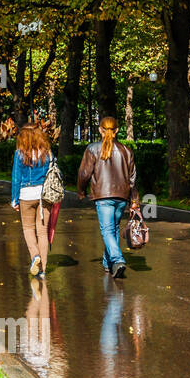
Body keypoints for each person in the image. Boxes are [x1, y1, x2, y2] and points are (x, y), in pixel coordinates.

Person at [77, 115, 139, 279]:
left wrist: (81, 191)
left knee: (107, 230)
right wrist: (134, 201)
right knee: (113, 229)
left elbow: (84, 174)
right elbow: (132, 178)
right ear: (117, 130)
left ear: (100, 130)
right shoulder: (126, 150)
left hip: (103, 196)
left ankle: (118, 261)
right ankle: (108, 263)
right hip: (122, 196)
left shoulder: (92, 149)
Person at [10, 122, 54, 281]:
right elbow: (53, 172)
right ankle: (42, 270)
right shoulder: (47, 152)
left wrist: (14, 199)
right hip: (44, 195)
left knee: (28, 229)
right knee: (42, 232)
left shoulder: (19, 153)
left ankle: (35, 255)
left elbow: (16, 178)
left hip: (26, 196)